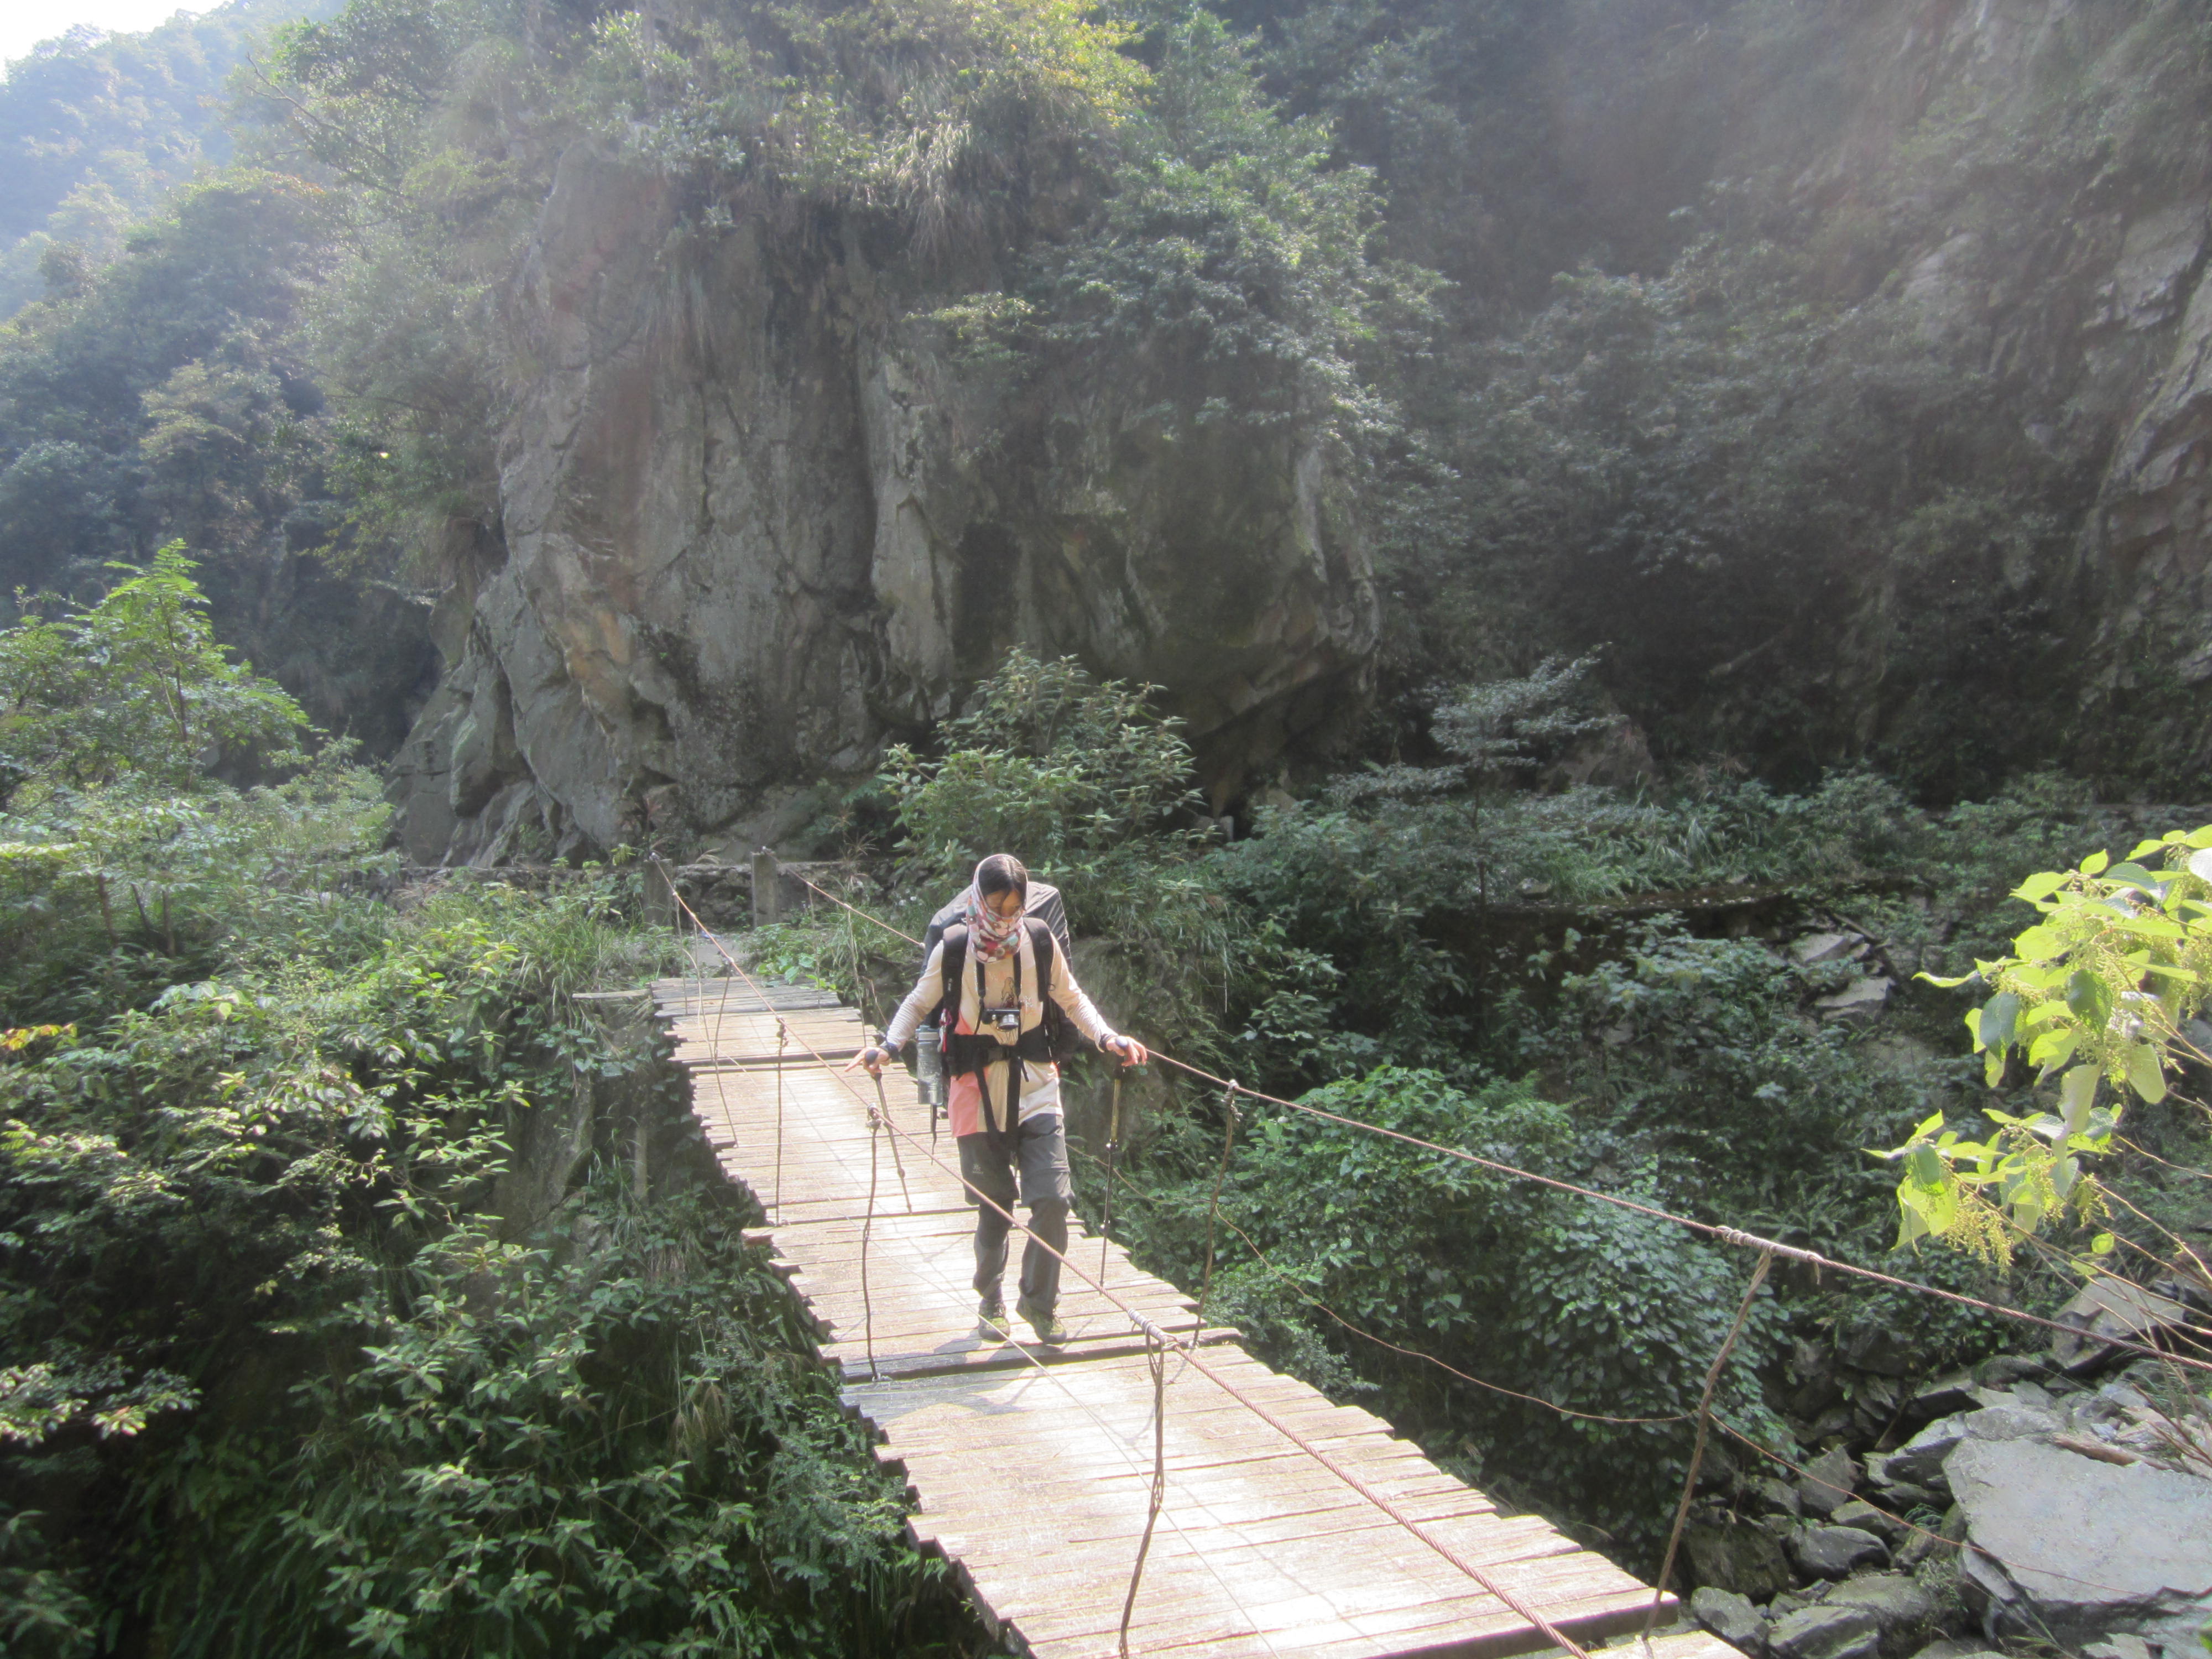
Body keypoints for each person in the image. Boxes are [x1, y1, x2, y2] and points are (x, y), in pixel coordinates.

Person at [853, 854, 1146, 1344]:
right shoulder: (954, 946)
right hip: (975, 1088)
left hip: (1036, 1084)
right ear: (977, 899)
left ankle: (1039, 1304)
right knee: (996, 1208)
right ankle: (990, 1299)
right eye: (997, 906)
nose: (1006, 918)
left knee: (1053, 1200)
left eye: (1015, 907)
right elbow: (919, 1002)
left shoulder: (1037, 939)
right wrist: (887, 1047)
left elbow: (1072, 999)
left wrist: (1107, 1038)